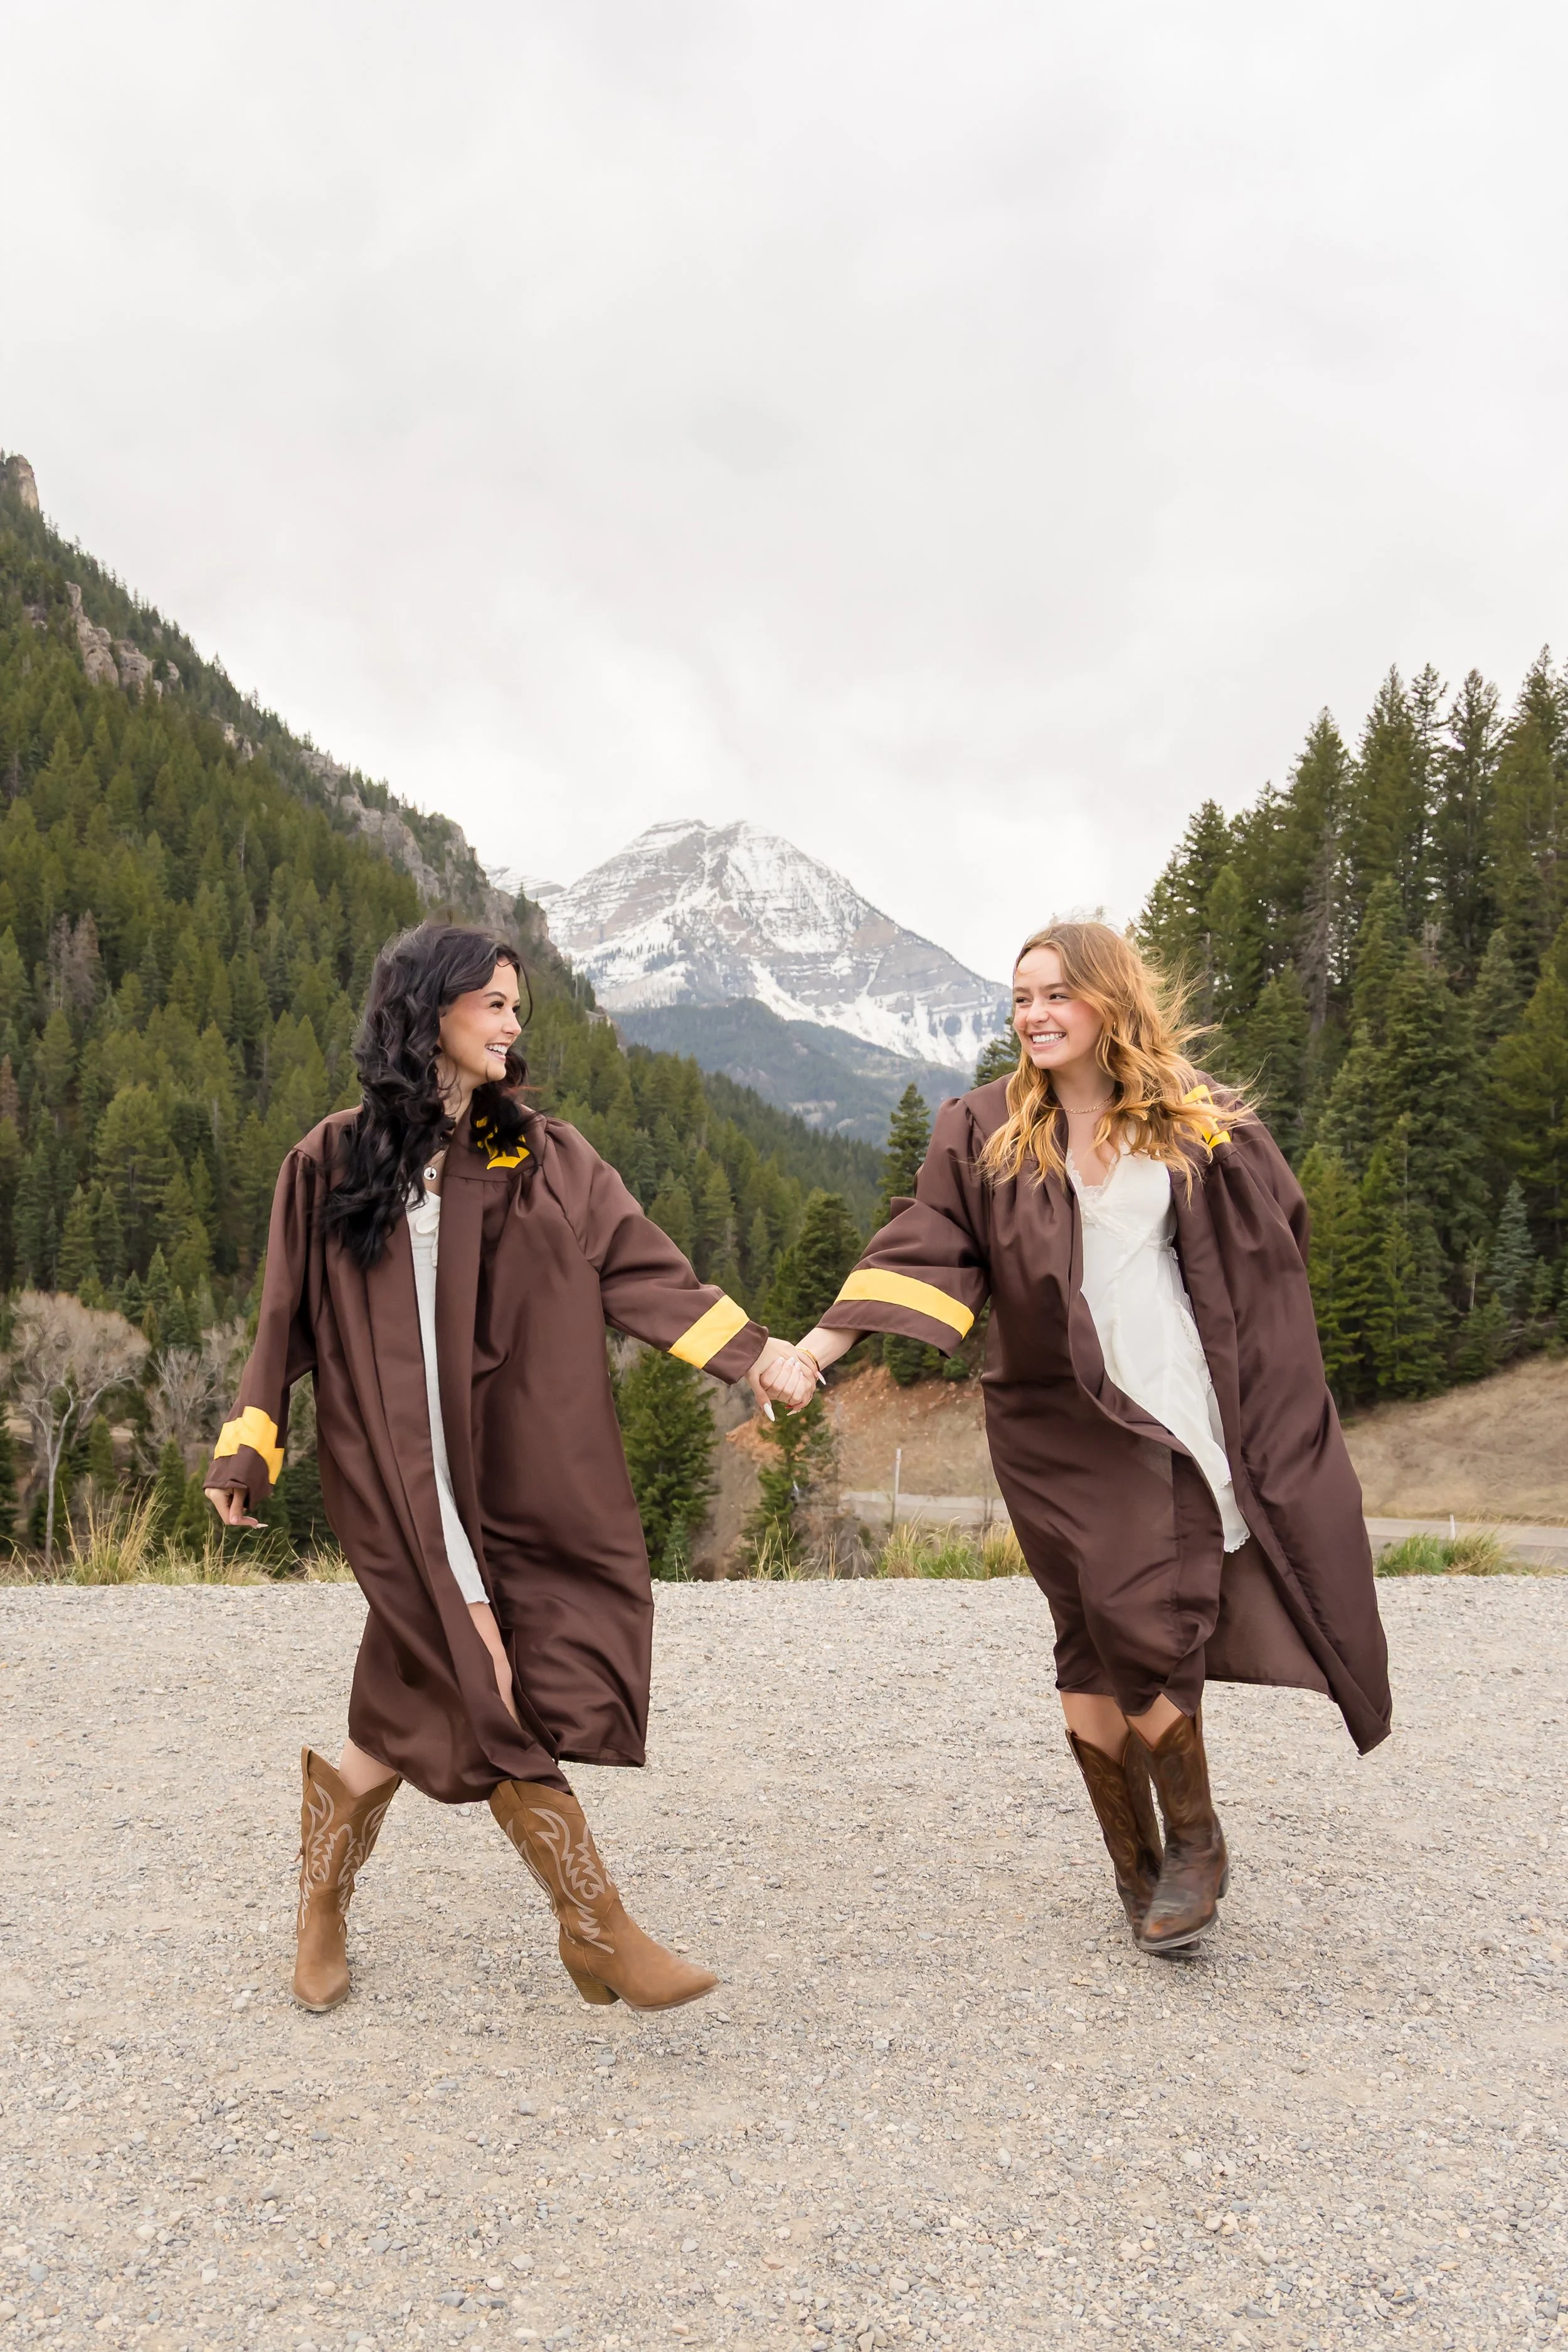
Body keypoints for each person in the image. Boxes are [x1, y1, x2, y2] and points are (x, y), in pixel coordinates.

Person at [206, 921, 805, 2014]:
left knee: (404, 1694)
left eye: (516, 1005)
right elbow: (282, 1313)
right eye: (493, 1002)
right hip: (391, 1472)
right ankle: (600, 1927)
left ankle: (323, 1903)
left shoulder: (540, 1155)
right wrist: (252, 1439)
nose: (513, 1022)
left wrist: (754, 1353)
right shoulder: (331, 1158)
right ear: (429, 1008)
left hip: (499, 1466)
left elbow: (639, 1263)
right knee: (486, 1668)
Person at [784, 921, 1391, 1955]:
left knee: (1139, 1612)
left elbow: (1271, 1237)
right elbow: (920, 1245)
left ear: (1108, 1000)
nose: (1035, 1015)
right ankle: (1137, 1863)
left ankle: (1196, 1845)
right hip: (1048, 1417)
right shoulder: (981, 1127)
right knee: (1082, 1631)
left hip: (1162, 1400)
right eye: (1021, 997)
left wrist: (1267, 1365)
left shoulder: (1193, 1120)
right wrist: (816, 1347)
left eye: (1057, 993)